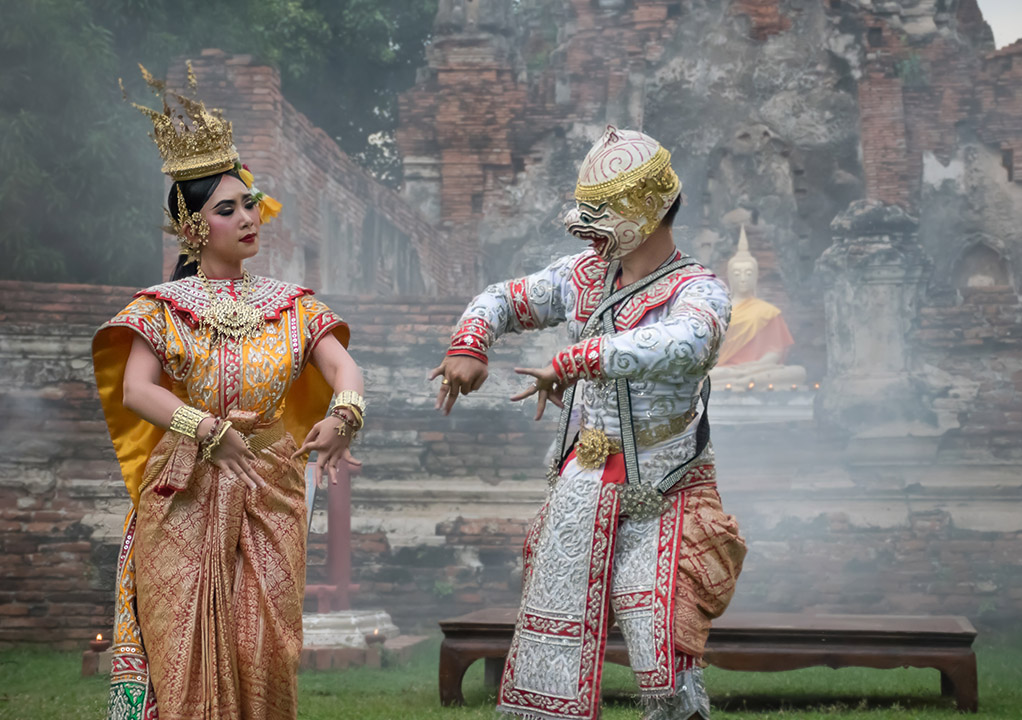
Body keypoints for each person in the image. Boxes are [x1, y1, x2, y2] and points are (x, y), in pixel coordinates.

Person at [430, 126, 746, 720]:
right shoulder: (582, 276)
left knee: (661, 641)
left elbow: (689, 341)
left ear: (643, 213)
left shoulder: (699, 288)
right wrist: (470, 343)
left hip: (666, 486)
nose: (588, 230)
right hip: (584, 484)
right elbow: (503, 297)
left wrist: (581, 358)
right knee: (553, 643)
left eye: (602, 217)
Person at [93, 64, 365, 720]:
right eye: (227, 208)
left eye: (250, 202)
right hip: (182, 491)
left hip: (270, 485)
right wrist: (206, 429)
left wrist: (347, 412)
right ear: (192, 228)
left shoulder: (293, 305)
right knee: (183, 647)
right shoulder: (159, 307)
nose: (248, 217)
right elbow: (136, 388)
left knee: (265, 650)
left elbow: (343, 368)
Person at [709, 225, 806, 389]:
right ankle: (740, 378)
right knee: (704, 375)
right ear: (730, 277)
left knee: (799, 372)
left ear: (755, 277)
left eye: (748, 273)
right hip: (725, 371)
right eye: (737, 274)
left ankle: (744, 379)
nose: (743, 278)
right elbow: (711, 355)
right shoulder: (719, 312)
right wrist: (734, 370)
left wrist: (752, 367)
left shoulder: (768, 312)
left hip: (759, 370)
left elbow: (775, 354)